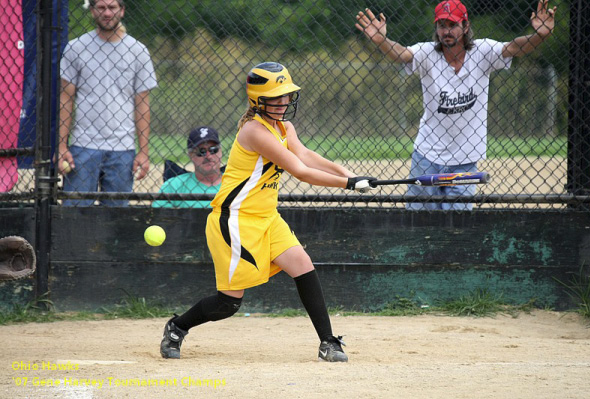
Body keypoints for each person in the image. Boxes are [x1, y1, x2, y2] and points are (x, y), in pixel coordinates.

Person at [159, 62, 377, 362]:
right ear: (256, 101)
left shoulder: (284, 126)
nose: (283, 102)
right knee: (228, 304)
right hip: (235, 220)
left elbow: (306, 155)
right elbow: (300, 171)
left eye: (285, 95)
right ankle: (177, 327)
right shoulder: (254, 131)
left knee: (302, 264)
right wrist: (348, 183)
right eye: (275, 97)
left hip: (266, 216)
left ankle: (328, 341)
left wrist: (348, 172)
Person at [355, 0, 556, 210]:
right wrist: (381, 40)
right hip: (427, 155)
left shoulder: (482, 52)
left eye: (452, 25)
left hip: (465, 158)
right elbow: (402, 53)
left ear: (466, 26)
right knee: (417, 222)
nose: (446, 31)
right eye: (441, 25)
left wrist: (540, 35)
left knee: (457, 227)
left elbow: (514, 47)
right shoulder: (427, 54)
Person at [58, 0, 157, 206]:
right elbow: (66, 98)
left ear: (122, 10)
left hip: (123, 147)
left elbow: (142, 103)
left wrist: (143, 151)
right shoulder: (76, 47)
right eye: (101, 7)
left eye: (112, 7)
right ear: (92, 11)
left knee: (116, 219)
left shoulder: (138, 51)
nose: (107, 13)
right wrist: (61, 146)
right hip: (83, 144)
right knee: (75, 214)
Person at [152, 127, 223, 209]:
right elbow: (159, 218)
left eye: (213, 149)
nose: (208, 156)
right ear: (191, 155)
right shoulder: (174, 185)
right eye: (201, 151)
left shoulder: (235, 183)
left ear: (220, 151)